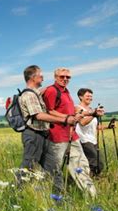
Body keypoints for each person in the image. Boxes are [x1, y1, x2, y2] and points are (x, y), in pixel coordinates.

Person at [42, 68, 102, 198]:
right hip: (57, 136)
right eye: (62, 76)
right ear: (55, 77)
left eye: (68, 77)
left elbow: (72, 113)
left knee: (82, 164)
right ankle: (53, 196)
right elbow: (48, 111)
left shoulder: (66, 92)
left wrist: (92, 112)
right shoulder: (52, 90)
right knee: (54, 168)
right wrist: (66, 118)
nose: (65, 79)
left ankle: (91, 196)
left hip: (71, 135)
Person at [17, 65, 79, 174]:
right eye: (40, 75)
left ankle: (58, 191)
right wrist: (65, 120)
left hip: (43, 134)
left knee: (53, 167)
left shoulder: (35, 93)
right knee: (28, 166)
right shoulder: (29, 95)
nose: (43, 78)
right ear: (33, 78)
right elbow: (39, 116)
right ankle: (18, 189)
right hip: (33, 135)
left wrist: (42, 90)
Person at [75, 88, 106, 176]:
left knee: (99, 163)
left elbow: (96, 127)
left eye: (91, 96)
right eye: (88, 96)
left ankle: (94, 178)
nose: (90, 98)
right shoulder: (77, 108)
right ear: (81, 97)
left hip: (93, 140)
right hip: (83, 139)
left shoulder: (91, 109)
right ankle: (89, 180)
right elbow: (82, 122)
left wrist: (109, 126)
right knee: (93, 162)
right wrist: (94, 114)